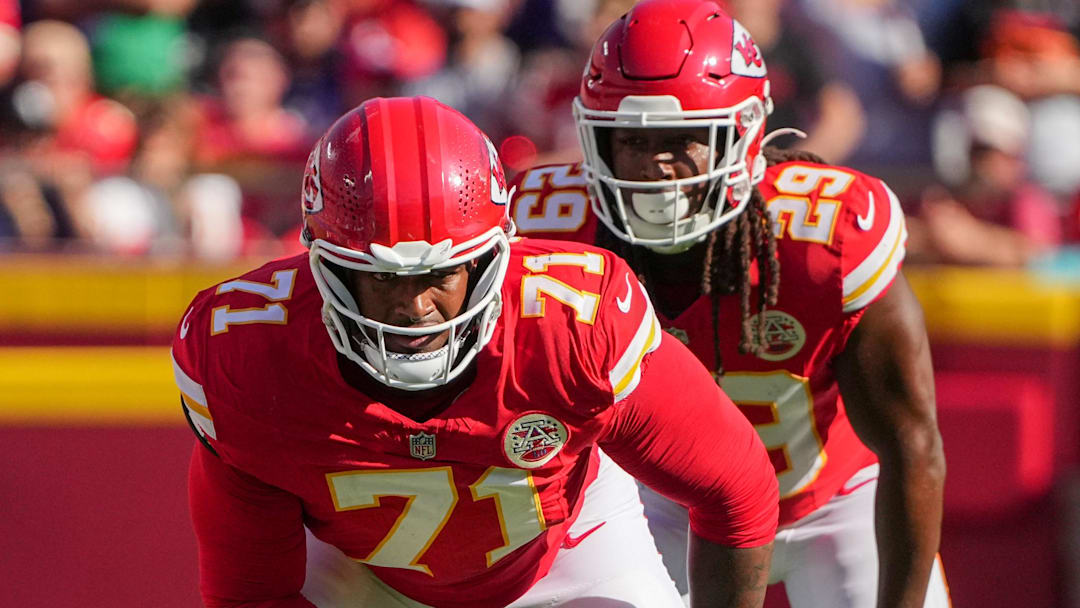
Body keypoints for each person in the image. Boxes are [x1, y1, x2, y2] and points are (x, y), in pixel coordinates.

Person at [172, 96, 779, 608]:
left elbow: (735, 487)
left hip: (567, 556)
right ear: (324, 263)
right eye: (382, 278)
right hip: (365, 585)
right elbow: (251, 594)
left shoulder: (572, 325)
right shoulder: (248, 355)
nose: (414, 308)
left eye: (442, 274)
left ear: (493, 258)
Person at [506, 1, 948, 606]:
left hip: (831, 501)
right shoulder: (547, 235)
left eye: (684, 138)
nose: (655, 165)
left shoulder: (827, 240)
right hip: (656, 503)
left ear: (745, 136)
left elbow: (912, 443)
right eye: (630, 140)